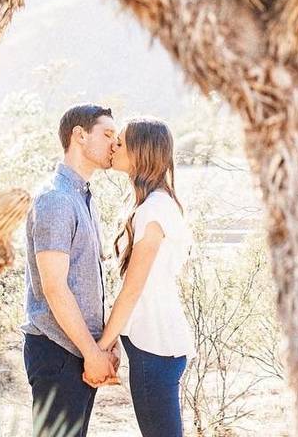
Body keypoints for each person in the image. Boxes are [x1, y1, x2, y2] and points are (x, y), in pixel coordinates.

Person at [88, 117, 196, 437]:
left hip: (155, 347)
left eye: (120, 142)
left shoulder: (154, 210)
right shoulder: (155, 204)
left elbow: (133, 290)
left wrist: (101, 349)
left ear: (140, 152)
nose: (114, 147)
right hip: (154, 345)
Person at [22, 104, 121, 437]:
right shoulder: (57, 200)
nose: (115, 144)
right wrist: (92, 352)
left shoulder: (83, 198)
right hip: (58, 352)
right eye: (107, 134)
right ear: (79, 135)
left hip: (78, 352)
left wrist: (103, 344)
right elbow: (54, 287)